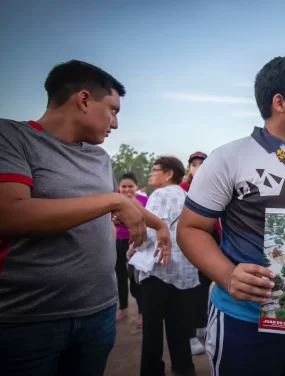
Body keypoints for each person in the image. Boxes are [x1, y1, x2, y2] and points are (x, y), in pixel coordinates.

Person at [0, 60, 171, 376]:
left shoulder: (99, 156)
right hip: (28, 320)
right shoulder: (11, 137)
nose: (116, 123)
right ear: (83, 99)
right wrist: (115, 199)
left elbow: (113, 205)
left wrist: (158, 225)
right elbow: (10, 214)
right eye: (113, 110)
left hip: (98, 313)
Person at [177, 55, 285, 376]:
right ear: (280, 102)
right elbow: (190, 229)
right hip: (244, 322)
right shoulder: (228, 157)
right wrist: (226, 275)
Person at [128, 156, 199, 376]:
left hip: (158, 271)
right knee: (179, 328)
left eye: (154, 169)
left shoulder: (159, 194)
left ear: (168, 174)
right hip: (183, 272)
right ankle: (184, 369)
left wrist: (133, 248)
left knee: (152, 331)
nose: (150, 174)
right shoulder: (188, 196)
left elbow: (152, 232)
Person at [180, 151, 213, 355]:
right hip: (189, 244)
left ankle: (202, 324)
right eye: (194, 164)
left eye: (202, 163)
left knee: (203, 286)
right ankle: (189, 333)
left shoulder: (216, 186)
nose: (197, 167)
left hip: (211, 241)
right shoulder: (182, 190)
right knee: (188, 289)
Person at [114, 171, 149, 327]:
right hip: (118, 242)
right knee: (120, 276)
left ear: (136, 187)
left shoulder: (144, 200)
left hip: (137, 243)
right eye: (124, 186)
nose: (127, 189)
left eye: (131, 186)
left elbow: (148, 221)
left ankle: (142, 313)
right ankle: (123, 308)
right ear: (119, 187)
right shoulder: (113, 201)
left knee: (136, 279)